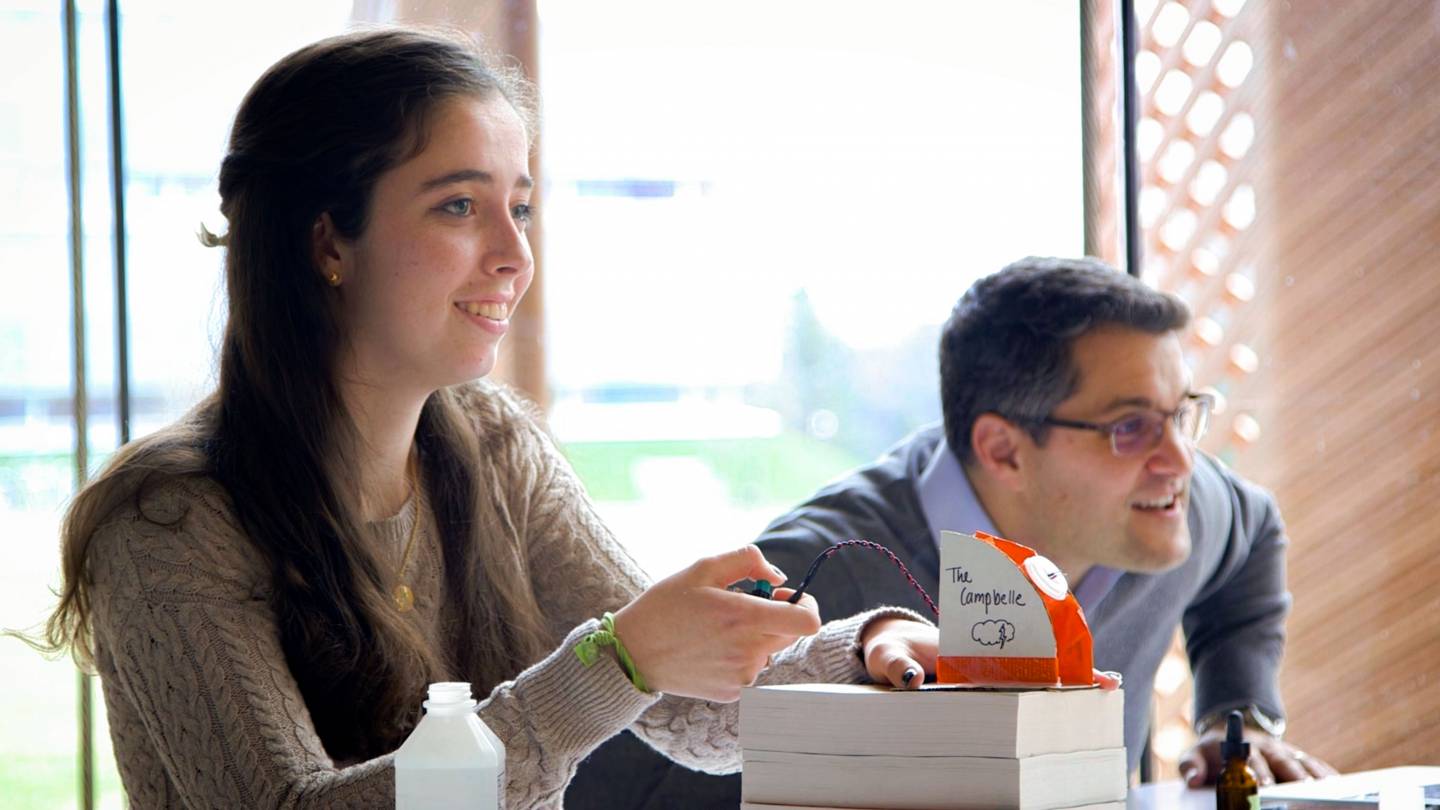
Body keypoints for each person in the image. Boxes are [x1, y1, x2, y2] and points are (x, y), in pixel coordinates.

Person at [33, 28, 944, 809]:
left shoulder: (498, 449)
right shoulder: (168, 523)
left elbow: (694, 717)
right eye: (460, 206)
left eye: (521, 207)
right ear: (326, 242)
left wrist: (864, 646)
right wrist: (617, 661)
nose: (515, 255)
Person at [752, 256, 1338, 788]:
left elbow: (1254, 531)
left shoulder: (1172, 512)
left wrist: (1240, 717)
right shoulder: (805, 580)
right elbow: (665, 767)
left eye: (1181, 414)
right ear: (1003, 450)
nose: (1181, 461)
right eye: (1130, 427)